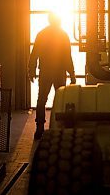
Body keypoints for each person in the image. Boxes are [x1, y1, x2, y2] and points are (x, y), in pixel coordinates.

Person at [28, 12, 76, 140]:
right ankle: (60, 127)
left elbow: (34, 54)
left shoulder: (42, 34)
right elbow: (67, 57)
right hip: (59, 72)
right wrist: (72, 74)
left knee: (41, 99)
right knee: (61, 100)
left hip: (46, 71)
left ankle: (39, 128)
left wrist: (31, 70)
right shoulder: (63, 35)